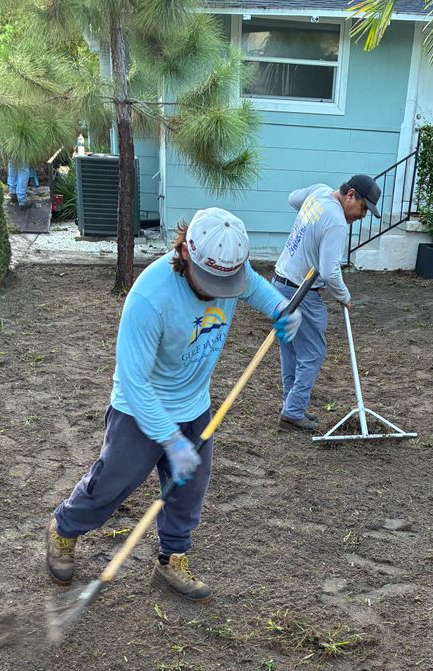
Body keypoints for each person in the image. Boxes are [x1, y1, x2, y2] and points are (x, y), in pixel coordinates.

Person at [46, 207, 302, 602]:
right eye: (211, 281)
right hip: (140, 406)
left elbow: (254, 287)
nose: (219, 290)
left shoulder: (232, 269)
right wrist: (169, 438)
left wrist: (282, 309)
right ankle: (64, 528)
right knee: (114, 483)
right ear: (185, 253)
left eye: (226, 282)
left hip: (194, 405)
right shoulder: (150, 297)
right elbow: (134, 381)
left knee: (188, 490)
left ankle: (172, 557)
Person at [272, 174, 381, 432]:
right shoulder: (336, 222)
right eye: (363, 208)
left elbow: (292, 199)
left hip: (279, 283)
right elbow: (330, 271)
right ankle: (293, 411)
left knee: (290, 350)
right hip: (302, 292)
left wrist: (312, 217)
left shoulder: (318, 193)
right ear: (350, 194)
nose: (362, 216)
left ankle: (291, 407)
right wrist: (344, 297)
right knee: (312, 353)